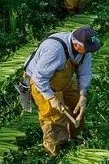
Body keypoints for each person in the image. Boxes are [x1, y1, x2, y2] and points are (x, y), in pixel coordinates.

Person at [24, 26, 101, 156]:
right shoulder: (55, 49)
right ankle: (54, 152)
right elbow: (39, 78)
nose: (89, 52)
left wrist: (83, 95)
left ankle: (72, 137)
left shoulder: (84, 51)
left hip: (62, 80)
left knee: (76, 106)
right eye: (86, 49)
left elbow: (85, 73)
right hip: (40, 82)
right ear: (76, 44)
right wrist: (52, 98)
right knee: (54, 116)